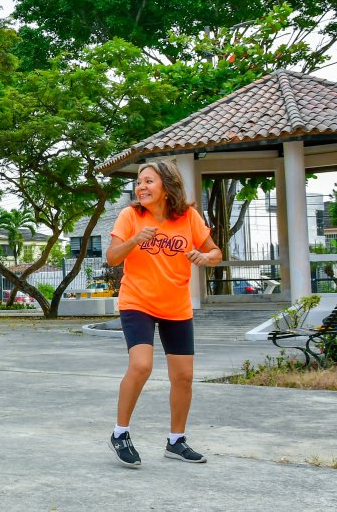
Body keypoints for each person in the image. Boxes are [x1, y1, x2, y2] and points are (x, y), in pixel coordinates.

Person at [105, 160, 221, 468]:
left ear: (167, 186)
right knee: (141, 365)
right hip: (137, 302)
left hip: (176, 305)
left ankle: (176, 441)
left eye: (148, 181)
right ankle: (120, 433)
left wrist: (204, 256)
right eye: (139, 182)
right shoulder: (130, 216)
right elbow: (112, 257)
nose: (141, 187)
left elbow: (215, 252)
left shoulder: (189, 217)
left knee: (183, 376)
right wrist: (134, 240)